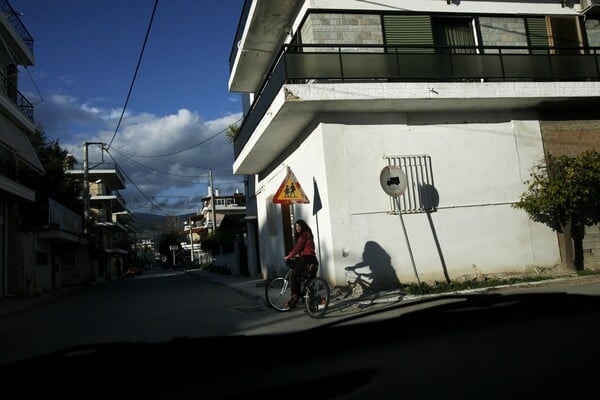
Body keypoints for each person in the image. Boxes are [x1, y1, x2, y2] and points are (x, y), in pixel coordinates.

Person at [284, 219, 319, 309]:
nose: (297, 228)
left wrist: (289, 256)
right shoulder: (309, 233)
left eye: (299, 226)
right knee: (308, 282)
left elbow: (298, 248)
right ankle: (311, 306)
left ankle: (295, 296)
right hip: (313, 260)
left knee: (293, 275)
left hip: (306, 259)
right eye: (296, 226)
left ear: (303, 226)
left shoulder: (303, 235)